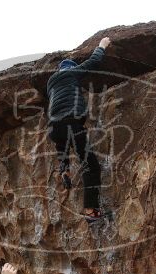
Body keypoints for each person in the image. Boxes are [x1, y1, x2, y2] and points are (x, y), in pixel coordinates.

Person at [46, 36, 111, 223]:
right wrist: (102, 45)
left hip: (55, 127)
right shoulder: (71, 73)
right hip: (72, 122)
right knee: (91, 165)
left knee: (62, 144)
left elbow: (60, 141)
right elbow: (93, 61)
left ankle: (64, 170)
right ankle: (92, 212)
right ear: (70, 68)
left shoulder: (51, 85)